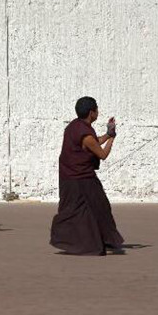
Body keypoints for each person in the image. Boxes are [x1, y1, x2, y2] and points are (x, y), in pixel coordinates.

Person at [50, 97, 124, 256]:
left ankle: (103, 240)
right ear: (91, 113)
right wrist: (112, 138)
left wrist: (107, 133)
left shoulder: (74, 126)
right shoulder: (85, 132)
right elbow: (102, 153)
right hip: (81, 179)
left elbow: (93, 141)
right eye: (97, 109)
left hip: (69, 176)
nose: (98, 112)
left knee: (93, 208)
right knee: (98, 207)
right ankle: (91, 242)